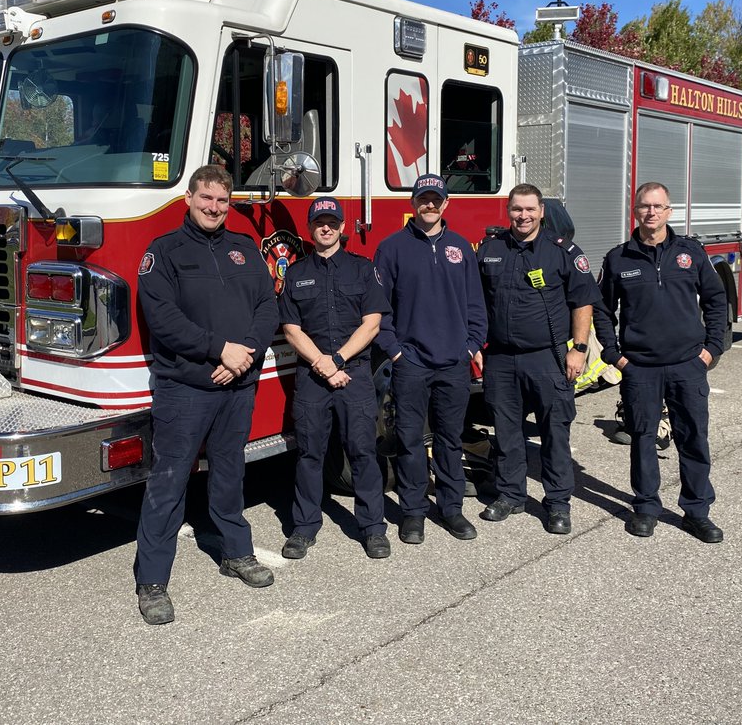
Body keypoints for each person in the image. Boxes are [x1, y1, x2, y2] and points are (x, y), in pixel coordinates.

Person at [133, 164, 280, 625]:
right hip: (185, 388)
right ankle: (152, 580)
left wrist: (245, 355)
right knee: (169, 481)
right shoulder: (164, 253)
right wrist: (220, 350)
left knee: (230, 470)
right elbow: (164, 320)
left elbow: (268, 305)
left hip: (238, 383)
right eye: (206, 199)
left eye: (222, 201)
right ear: (189, 200)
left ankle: (236, 552)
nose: (214, 208)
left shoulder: (244, 249)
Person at [593, 181, 728, 543]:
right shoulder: (618, 257)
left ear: (669, 211)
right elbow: (602, 310)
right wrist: (614, 355)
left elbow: (716, 300)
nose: (650, 212)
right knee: (642, 438)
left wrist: (713, 347)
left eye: (657, 206)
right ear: (634, 211)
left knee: (693, 438)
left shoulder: (690, 252)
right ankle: (647, 507)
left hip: (688, 364)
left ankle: (697, 512)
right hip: (640, 368)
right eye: (643, 207)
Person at [476, 184, 601, 534]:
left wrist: (578, 349)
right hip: (500, 357)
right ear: (508, 211)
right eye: (517, 209)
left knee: (554, 431)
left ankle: (558, 503)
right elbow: (476, 301)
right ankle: (510, 495)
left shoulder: (562, 252)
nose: (523, 216)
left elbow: (582, 301)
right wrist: (476, 346)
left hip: (547, 357)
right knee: (506, 431)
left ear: (542, 211)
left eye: (530, 209)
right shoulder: (490, 250)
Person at [278, 196, 393, 561]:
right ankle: (304, 527)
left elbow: (372, 323)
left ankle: (373, 528)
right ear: (310, 229)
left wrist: (339, 359)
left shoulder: (363, 269)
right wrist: (323, 364)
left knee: (362, 451)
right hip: (313, 377)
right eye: (318, 222)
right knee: (310, 454)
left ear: (343, 227)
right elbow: (291, 329)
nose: (325, 227)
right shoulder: (295, 273)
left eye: (332, 221)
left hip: (355, 374)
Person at [374, 174, 487, 544]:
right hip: (412, 363)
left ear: (446, 204)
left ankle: (452, 509)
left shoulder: (460, 248)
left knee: (450, 439)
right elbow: (380, 308)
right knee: (409, 439)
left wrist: (472, 345)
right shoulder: (391, 249)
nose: (429, 205)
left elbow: (475, 303)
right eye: (423, 199)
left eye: (435, 199)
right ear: (412, 204)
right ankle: (413, 512)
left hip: (454, 361)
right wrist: (394, 349)